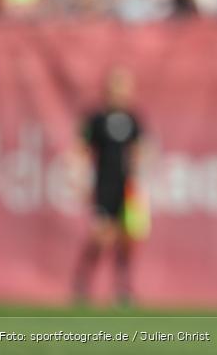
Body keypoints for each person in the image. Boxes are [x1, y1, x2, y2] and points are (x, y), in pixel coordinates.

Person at [72, 67, 145, 305]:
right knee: (102, 236)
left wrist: (139, 172)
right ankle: (83, 281)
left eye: (124, 88)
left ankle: (123, 289)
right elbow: (82, 148)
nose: (121, 93)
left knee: (125, 240)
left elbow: (141, 149)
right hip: (104, 187)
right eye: (116, 87)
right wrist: (79, 177)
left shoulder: (133, 120)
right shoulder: (97, 119)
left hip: (127, 188)